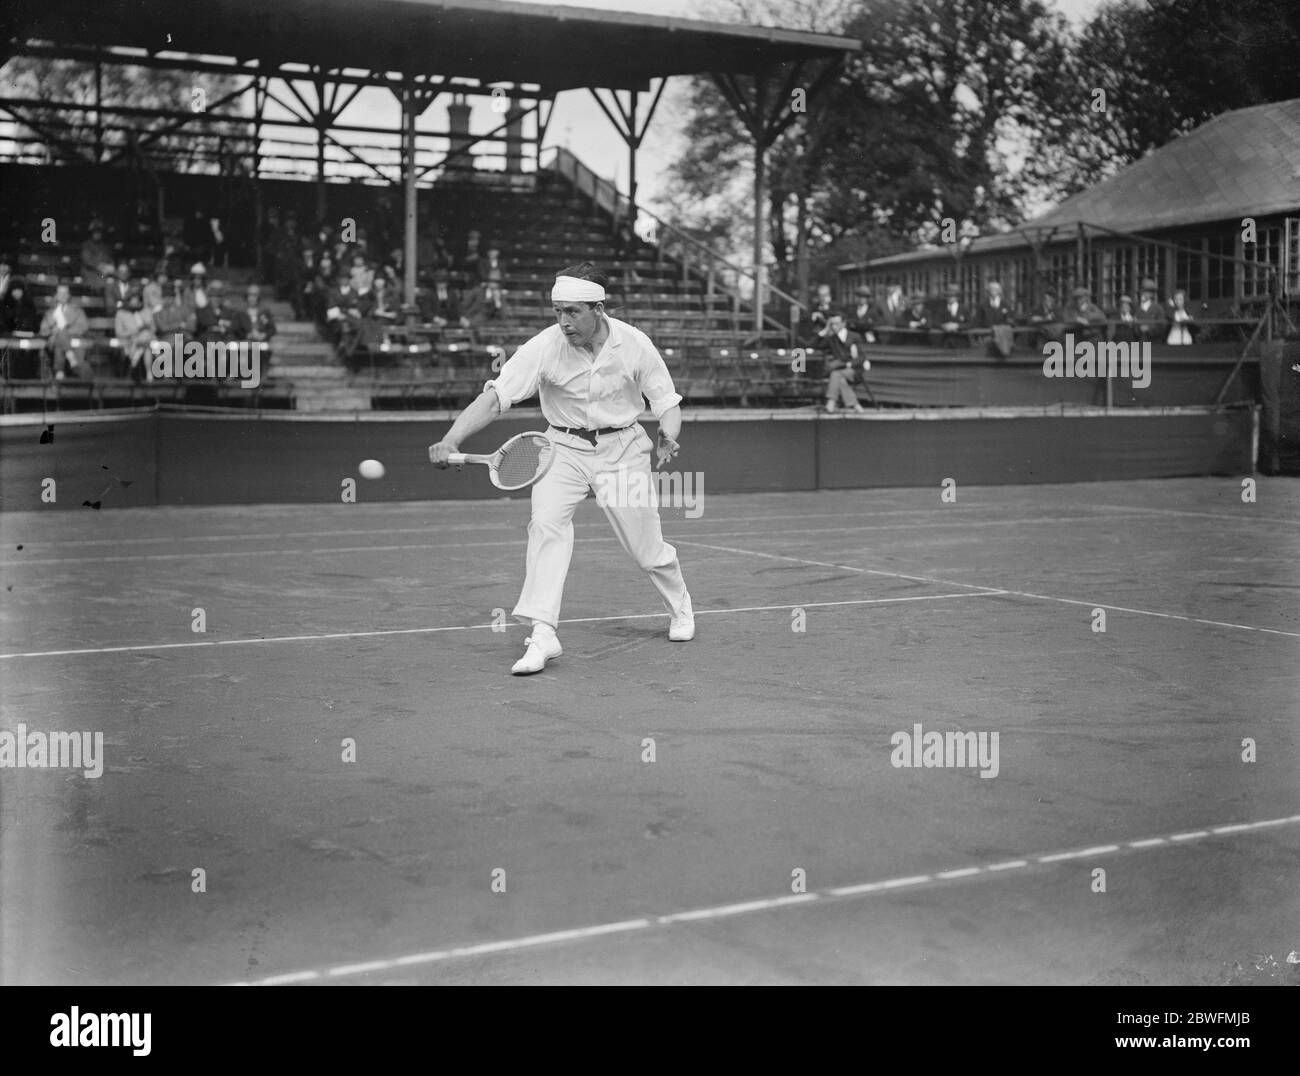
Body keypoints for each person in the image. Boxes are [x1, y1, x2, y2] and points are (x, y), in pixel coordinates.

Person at [429, 261, 694, 676]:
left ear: (598, 309)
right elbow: (496, 398)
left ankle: (680, 605)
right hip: (561, 448)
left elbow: (666, 402)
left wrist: (668, 434)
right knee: (546, 526)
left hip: (623, 448)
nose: (563, 321)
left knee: (646, 550)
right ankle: (543, 633)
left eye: (573, 312)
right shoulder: (543, 346)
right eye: (557, 311)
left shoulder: (636, 344)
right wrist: (451, 439)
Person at [816, 313, 871, 412]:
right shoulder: (832, 339)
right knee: (840, 379)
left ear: (843, 324)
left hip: (855, 369)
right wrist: (825, 329)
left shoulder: (854, 336)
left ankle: (831, 402)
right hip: (841, 370)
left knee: (836, 374)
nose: (833, 326)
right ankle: (856, 406)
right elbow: (813, 345)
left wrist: (849, 364)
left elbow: (862, 357)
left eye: (836, 324)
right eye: (832, 324)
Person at [39, 284, 90, 380]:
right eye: (60, 293)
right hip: (53, 342)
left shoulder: (77, 311)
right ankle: (71, 358)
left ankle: (59, 372)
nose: (62, 295)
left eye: (65, 293)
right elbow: (43, 330)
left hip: (73, 339)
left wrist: (63, 331)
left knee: (61, 336)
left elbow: (83, 327)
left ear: (69, 295)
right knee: (59, 337)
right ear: (56, 296)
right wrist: (52, 331)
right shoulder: (50, 312)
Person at [114, 292, 155, 382]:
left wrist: (145, 326)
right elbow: (119, 333)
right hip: (129, 341)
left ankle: (136, 363)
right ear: (128, 301)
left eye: (137, 300)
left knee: (146, 342)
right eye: (133, 300)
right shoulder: (121, 313)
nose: (135, 302)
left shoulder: (146, 311)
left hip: (146, 340)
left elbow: (152, 329)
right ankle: (148, 374)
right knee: (144, 345)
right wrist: (134, 332)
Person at [233, 284, 277, 362]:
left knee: (263, 352)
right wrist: (247, 335)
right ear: (246, 297)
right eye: (250, 295)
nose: (252, 298)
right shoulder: (240, 312)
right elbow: (235, 329)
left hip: (261, 344)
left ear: (258, 297)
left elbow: (272, 329)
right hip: (245, 343)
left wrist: (264, 335)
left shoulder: (264, 312)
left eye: (255, 295)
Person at [977, 280, 1016, 357]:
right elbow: (977, 321)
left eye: (996, 289)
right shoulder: (983, 305)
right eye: (991, 289)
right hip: (987, 337)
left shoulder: (1005, 304)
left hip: (1003, 338)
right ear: (988, 291)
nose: (993, 291)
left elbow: (1011, 320)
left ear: (999, 291)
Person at [1135, 278, 1166, 342]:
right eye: (1143, 291)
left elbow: (1162, 326)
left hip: (1155, 343)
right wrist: (1139, 329)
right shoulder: (1137, 308)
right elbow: (1134, 325)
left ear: (1152, 294)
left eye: (1148, 291)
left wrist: (1149, 328)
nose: (1145, 293)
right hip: (1140, 342)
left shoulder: (1158, 308)